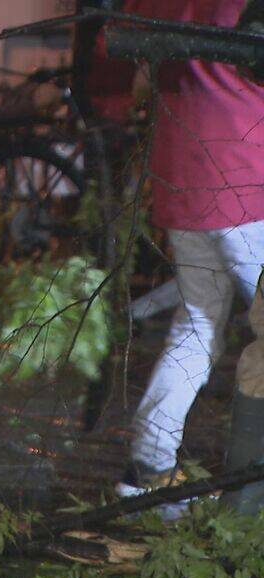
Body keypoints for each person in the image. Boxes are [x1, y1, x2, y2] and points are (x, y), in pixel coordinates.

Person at [111, 0, 264, 510]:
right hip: (247, 179)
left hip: (184, 178)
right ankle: (247, 502)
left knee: (197, 326)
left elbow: (122, 57)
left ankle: (148, 476)